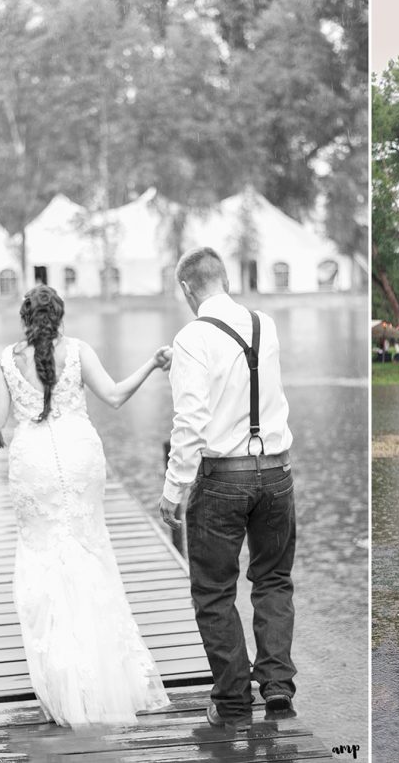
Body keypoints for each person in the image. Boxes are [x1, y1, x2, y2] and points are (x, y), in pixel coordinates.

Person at [0, 284, 172, 727]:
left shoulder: (6, 360)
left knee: (43, 559)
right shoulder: (79, 351)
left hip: (34, 465)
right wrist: (153, 364)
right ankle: (105, 674)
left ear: (25, 320)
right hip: (80, 458)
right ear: (60, 317)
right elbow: (117, 395)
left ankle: (63, 679)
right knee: (88, 551)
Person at [157, 247, 297, 729]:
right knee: (273, 580)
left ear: (187, 288)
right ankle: (277, 687)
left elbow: (192, 422)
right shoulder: (265, 324)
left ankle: (234, 701)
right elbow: (249, 379)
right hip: (277, 473)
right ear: (224, 278)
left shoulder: (192, 337)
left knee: (214, 591)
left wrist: (173, 489)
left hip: (223, 480)